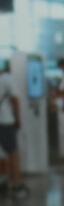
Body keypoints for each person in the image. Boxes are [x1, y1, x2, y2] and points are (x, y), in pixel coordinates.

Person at [0, 63, 29, 198]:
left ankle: (3, 181)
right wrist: (18, 119)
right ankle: (16, 183)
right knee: (13, 153)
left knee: (2, 154)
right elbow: (15, 100)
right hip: (6, 121)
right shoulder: (6, 78)